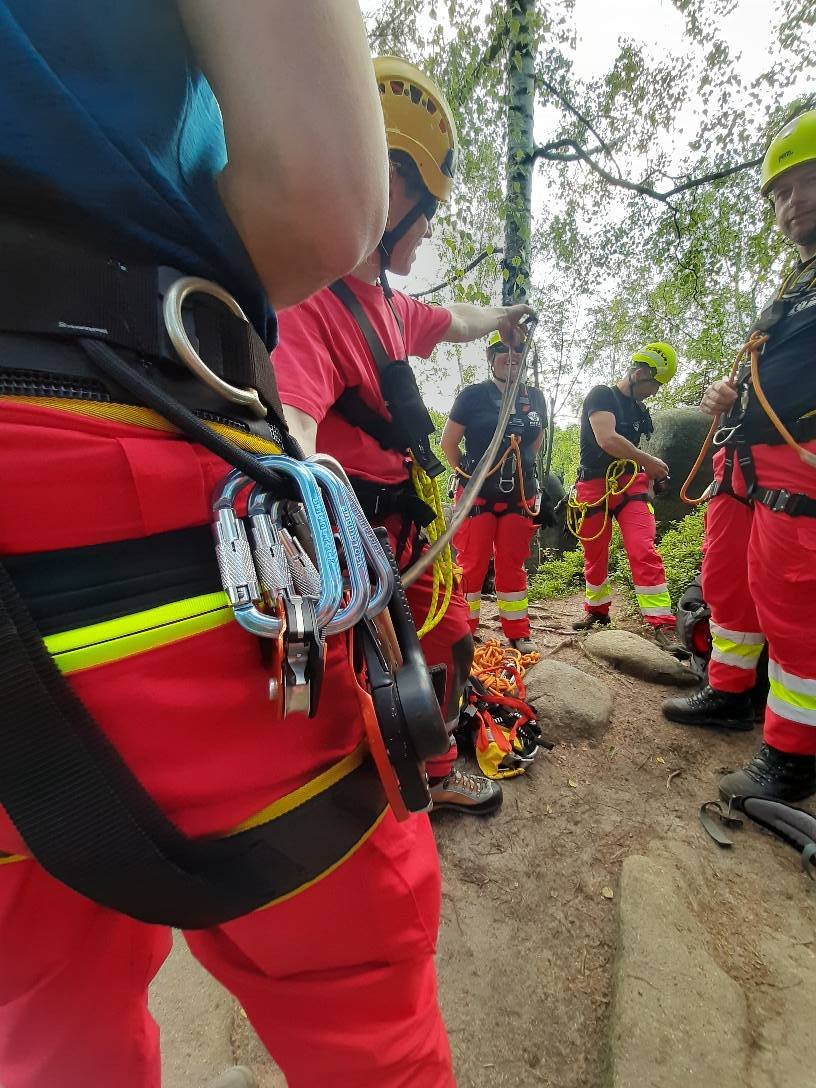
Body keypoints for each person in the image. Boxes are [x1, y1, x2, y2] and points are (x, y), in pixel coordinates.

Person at [0, 4, 460, 1087]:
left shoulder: (395, 319)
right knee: (359, 1000)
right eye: (409, 195)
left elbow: (450, 321)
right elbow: (319, 196)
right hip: (133, 470)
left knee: (44, 1022)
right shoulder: (341, 306)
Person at [272, 56, 533, 816]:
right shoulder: (310, 305)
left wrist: (506, 316)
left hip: (406, 530)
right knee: (382, 664)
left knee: (450, 638)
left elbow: (455, 322)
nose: (428, 234)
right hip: (362, 546)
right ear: (395, 189)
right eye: (429, 212)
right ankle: (382, 776)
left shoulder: (386, 304)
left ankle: (438, 764)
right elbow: (294, 425)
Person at [663, 109, 816, 805]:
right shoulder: (789, 290)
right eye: (780, 193)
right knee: (727, 582)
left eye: (803, 184)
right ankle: (728, 692)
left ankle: (793, 754)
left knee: (792, 600)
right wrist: (724, 393)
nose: (790, 204)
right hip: (742, 458)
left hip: (798, 458)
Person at [570, 343, 687, 655]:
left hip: (630, 482)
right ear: (639, 373)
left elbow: (635, 452)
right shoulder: (602, 395)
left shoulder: (640, 411)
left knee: (642, 547)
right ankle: (597, 610)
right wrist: (648, 461)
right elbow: (606, 438)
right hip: (594, 484)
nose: (655, 392)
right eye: (654, 385)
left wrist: (649, 477)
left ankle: (661, 622)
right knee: (595, 552)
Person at [440, 330, 550, 653]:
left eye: (518, 350)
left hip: (519, 497)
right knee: (471, 565)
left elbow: (534, 444)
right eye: (503, 349)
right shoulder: (472, 396)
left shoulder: (535, 398)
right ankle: (463, 631)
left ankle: (517, 633)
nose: (511, 355)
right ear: (491, 358)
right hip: (477, 496)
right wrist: (473, 475)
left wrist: (519, 472)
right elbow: (449, 444)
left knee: (512, 565)